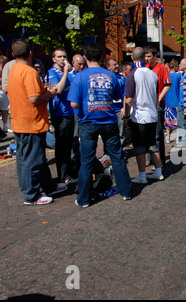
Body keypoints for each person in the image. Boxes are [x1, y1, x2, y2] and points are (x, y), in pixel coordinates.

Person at [68, 42, 132, 208]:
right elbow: (118, 96)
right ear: (102, 57)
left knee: (87, 161)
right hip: (109, 119)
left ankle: (83, 199)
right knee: (116, 157)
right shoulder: (111, 76)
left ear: (85, 57)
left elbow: (73, 104)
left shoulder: (79, 77)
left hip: (88, 122)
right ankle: (125, 191)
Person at [8, 38, 67, 205]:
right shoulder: (29, 72)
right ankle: (31, 195)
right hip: (31, 122)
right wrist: (51, 93)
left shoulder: (13, 69)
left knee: (32, 158)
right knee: (32, 160)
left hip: (20, 121)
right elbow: (34, 98)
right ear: (31, 53)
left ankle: (48, 186)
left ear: (13, 54)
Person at [124, 47, 164, 184]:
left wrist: (127, 116)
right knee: (152, 144)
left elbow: (129, 99)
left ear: (132, 58)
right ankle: (158, 171)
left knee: (140, 147)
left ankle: (142, 176)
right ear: (144, 57)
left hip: (139, 116)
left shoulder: (133, 74)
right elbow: (157, 96)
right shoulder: (152, 74)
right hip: (152, 114)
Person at [47, 47, 76, 184]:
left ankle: (70, 171)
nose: (63, 59)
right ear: (54, 59)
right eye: (60, 57)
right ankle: (63, 175)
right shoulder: (52, 72)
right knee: (62, 146)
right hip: (60, 113)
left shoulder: (70, 72)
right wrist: (65, 73)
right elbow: (58, 89)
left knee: (69, 144)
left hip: (70, 112)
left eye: (64, 56)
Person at [144, 46, 171, 167]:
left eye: (149, 56)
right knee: (147, 133)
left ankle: (160, 160)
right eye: (145, 56)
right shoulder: (143, 68)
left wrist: (158, 99)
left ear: (155, 56)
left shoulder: (161, 68)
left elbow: (167, 85)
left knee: (157, 134)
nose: (147, 58)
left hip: (157, 105)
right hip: (146, 106)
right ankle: (149, 157)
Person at [164, 60, 182, 144]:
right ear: (175, 67)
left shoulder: (166, 75)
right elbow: (181, 84)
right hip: (176, 100)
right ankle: (177, 137)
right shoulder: (178, 76)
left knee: (167, 120)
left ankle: (168, 136)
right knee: (177, 120)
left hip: (167, 100)